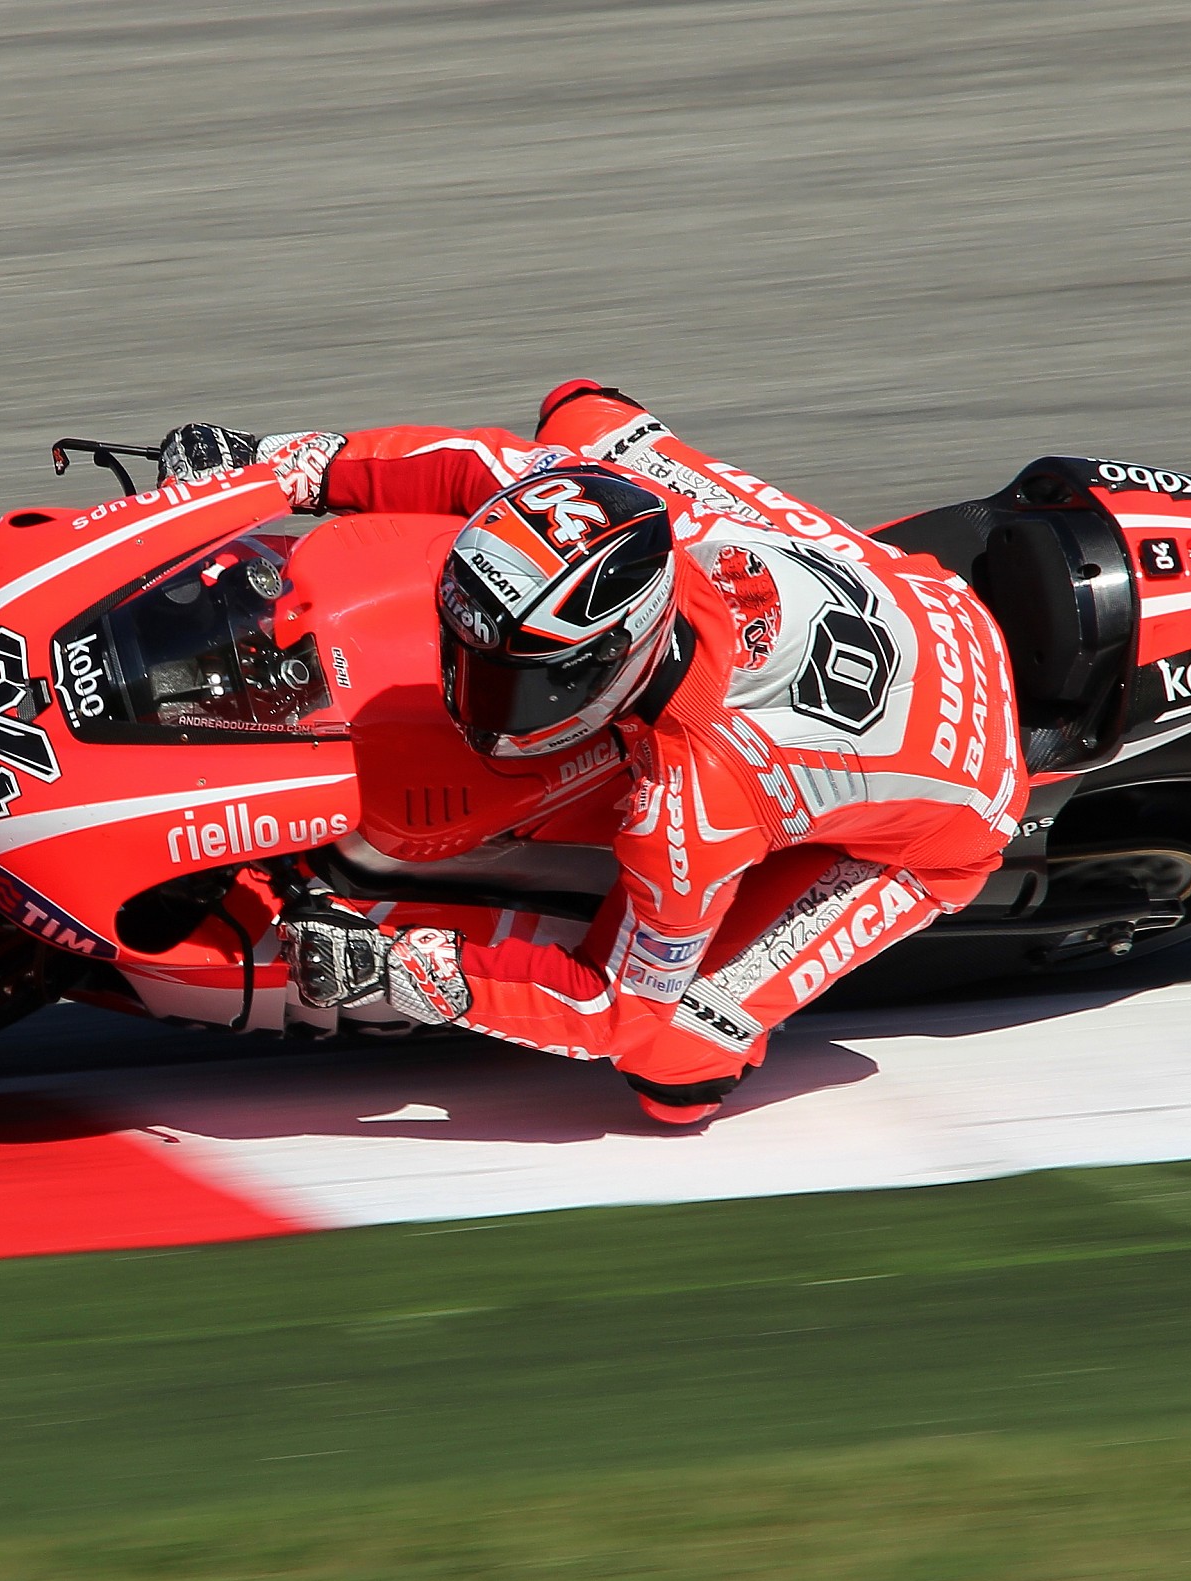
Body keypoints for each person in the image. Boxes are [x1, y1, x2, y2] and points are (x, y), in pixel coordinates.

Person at [155, 383, 1027, 1124]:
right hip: (912, 595)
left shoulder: (694, 807)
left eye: (510, 678)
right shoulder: (648, 519)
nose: (467, 687)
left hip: (959, 800)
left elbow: (612, 1009)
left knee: (675, 1060)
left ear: (611, 662)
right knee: (581, 416)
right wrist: (284, 462)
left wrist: (405, 972)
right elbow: (479, 468)